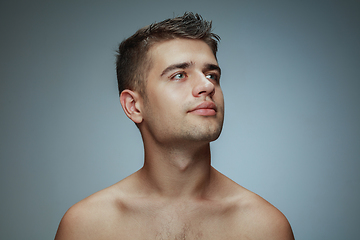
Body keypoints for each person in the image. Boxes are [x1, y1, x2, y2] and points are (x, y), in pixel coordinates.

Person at [55, 12, 294, 240]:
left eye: (212, 75)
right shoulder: (87, 226)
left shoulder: (264, 226)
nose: (207, 86)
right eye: (179, 75)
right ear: (134, 106)